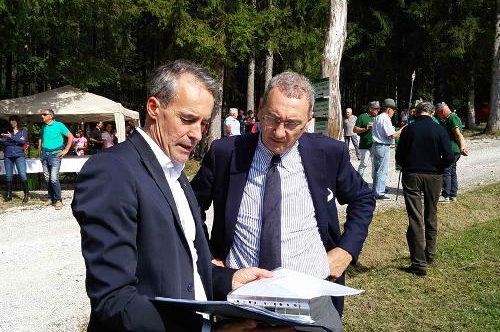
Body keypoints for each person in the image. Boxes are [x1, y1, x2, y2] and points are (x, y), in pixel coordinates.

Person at [71, 60, 290, 332]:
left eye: (204, 123)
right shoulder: (112, 171)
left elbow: (183, 265)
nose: (197, 134)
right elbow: (114, 300)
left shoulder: (173, 169)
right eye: (187, 119)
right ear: (154, 108)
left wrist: (228, 280)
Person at [191, 71, 375, 318]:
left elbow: (363, 198)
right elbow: (189, 207)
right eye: (272, 118)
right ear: (259, 109)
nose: (279, 132)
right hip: (241, 296)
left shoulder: (329, 154)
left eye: (292, 124)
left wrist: (347, 250)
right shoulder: (226, 153)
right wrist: (209, 257)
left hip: (310, 295)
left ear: (308, 120)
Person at [395, 102, 454, 276]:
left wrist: (408, 165)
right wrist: (439, 167)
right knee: (431, 213)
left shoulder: (408, 130)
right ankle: (430, 254)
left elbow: (399, 156)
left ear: (416, 113)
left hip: (412, 175)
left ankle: (419, 263)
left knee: (415, 218)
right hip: (434, 176)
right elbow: (450, 156)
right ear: (432, 113)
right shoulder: (440, 130)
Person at [38, 109, 74, 210]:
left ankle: (58, 200)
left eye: (44, 114)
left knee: (53, 178)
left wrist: (66, 150)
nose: (42, 116)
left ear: (50, 116)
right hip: (44, 154)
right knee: (47, 178)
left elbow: (71, 137)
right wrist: (40, 151)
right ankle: (52, 198)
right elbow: (42, 138)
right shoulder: (43, 126)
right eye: (42, 114)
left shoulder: (59, 125)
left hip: (55, 155)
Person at [371, 98, 404, 200]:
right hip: (383, 146)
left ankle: (376, 189)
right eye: (393, 110)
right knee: (382, 170)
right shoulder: (385, 118)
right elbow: (392, 135)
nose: (393, 113)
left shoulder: (378, 117)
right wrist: (402, 130)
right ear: (389, 109)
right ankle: (379, 192)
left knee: (376, 169)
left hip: (376, 145)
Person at [435, 102, 468, 203]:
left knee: (446, 170)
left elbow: (458, 134)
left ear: (441, 111)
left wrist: (462, 146)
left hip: (452, 150)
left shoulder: (451, 118)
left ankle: (446, 196)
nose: (438, 116)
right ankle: (453, 195)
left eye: (438, 113)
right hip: (455, 150)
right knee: (452, 171)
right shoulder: (451, 118)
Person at [1, 115, 29, 202]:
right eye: (10, 121)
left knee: (22, 174)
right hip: (8, 156)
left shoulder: (23, 131)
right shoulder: (7, 131)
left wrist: (11, 138)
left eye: (13, 121)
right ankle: (9, 195)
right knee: (9, 176)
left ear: (17, 121)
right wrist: (16, 142)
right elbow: (3, 143)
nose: (12, 122)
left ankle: (26, 194)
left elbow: (23, 141)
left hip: (19, 155)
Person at [353, 101, 380, 179]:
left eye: (378, 109)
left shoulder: (379, 118)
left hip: (375, 145)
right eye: (376, 109)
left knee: (375, 165)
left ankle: (376, 184)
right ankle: (358, 182)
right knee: (363, 164)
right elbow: (355, 129)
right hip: (365, 145)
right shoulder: (362, 117)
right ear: (371, 109)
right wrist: (366, 128)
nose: (378, 111)